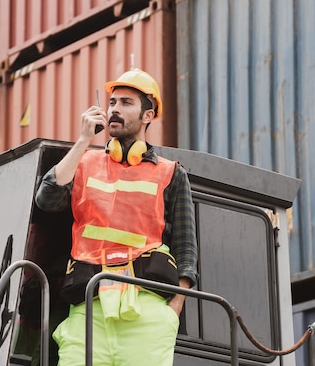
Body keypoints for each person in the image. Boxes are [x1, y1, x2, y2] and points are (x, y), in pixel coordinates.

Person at [34, 68, 198, 366]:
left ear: (148, 115)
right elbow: (47, 199)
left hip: (146, 311)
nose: (114, 110)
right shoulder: (84, 163)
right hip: (88, 309)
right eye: (112, 103)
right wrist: (83, 140)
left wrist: (173, 308)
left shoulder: (171, 173)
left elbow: (186, 249)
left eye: (126, 103)